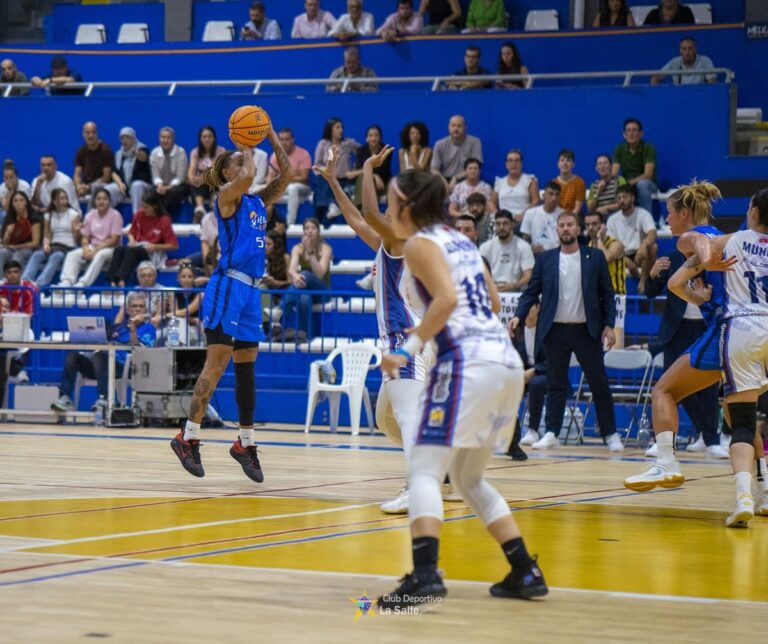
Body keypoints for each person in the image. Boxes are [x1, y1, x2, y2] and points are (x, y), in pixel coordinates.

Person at [375, 168, 547, 609]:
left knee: (425, 471)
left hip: (467, 363)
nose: (386, 208)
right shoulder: (463, 241)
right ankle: (524, 568)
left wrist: (407, 348)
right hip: (505, 363)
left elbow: (449, 300)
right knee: (469, 479)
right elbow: (490, 302)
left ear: (408, 205)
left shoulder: (418, 244)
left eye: (390, 199)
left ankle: (425, 575)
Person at [315, 143, 461, 514]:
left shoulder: (402, 240)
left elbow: (367, 210)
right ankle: (440, 470)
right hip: (407, 341)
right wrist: (333, 183)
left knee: (408, 418)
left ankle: (420, 488)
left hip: (406, 340)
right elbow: (357, 220)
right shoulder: (391, 242)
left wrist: (366, 169)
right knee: (386, 419)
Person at [170, 123, 293, 484]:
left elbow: (286, 175)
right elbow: (251, 172)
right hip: (228, 285)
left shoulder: (256, 201)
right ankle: (187, 436)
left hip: (252, 291)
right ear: (226, 172)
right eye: (237, 161)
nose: (245, 163)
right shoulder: (226, 195)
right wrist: (247, 142)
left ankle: (246, 444)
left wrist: (268, 134)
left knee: (246, 369)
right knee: (218, 362)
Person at [623, 181, 732, 493]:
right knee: (741, 412)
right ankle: (756, 490)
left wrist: (706, 259)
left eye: (669, 213)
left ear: (684, 212)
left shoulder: (694, 237)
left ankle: (667, 463)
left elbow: (695, 241)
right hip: (752, 332)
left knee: (663, 390)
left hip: (724, 330)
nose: (666, 220)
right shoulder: (725, 238)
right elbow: (669, 284)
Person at [513, 211, 622, 452]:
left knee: (599, 382)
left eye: (570, 224)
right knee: (555, 383)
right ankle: (551, 431)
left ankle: (611, 433)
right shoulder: (546, 259)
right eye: (561, 225)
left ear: (578, 228)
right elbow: (531, 291)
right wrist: (518, 315)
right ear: (557, 230)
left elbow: (608, 294)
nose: (565, 228)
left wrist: (609, 325)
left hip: (587, 330)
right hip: (555, 330)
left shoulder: (594, 257)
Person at [692, 188, 768, 525]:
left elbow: (691, 239)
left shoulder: (734, 239)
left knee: (741, 421)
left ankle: (744, 498)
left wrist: (706, 256)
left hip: (743, 328)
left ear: (752, 212)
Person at [643, 246, 726, 458]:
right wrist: (652, 274)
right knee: (673, 384)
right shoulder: (671, 259)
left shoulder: (712, 258)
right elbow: (651, 293)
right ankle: (661, 440)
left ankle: (711, 439)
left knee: (707, 388)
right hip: (676, 329)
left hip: (706, 326)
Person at [51, 292, 157, 413]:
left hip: (124, 367)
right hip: (100, 365)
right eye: (134, 306)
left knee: (100, 356)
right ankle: (65, 398)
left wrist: (133, 328)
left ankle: (104, 400)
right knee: (72, 357)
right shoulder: (119, 326)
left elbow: (140, 351)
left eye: (141, 306)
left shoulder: (149, 328)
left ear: (146, 309)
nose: (138, 309)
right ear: (127, 310)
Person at [106, 191, 178, 287]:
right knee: (119, 249)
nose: (144, 210)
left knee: (132, 251)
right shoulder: (139, 214)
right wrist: (131, 240)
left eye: (147, 207)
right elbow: (131, 232)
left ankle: (122, 280)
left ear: (155, 206)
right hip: (138, 246)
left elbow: (173, 245)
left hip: (152, 253)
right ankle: (112, 281)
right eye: (143, 206)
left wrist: (155, 246)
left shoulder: (164, 220)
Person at [57, 188, 122, 288]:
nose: (101, 201)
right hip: (93, 246)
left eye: (105, 199)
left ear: (109, 201)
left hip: (111, 248)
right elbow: (85, 238)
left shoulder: (116, 215)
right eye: (98, 199)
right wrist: (86, 249)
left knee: (101, 254)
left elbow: (114, 240)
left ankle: (83, 283)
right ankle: (67, 282)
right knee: (72, 254)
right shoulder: (90, 215)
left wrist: (96, 250)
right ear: (94, 201)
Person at [280, 218, 333, 342]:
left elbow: (320, 274)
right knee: (304, 298)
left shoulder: (326, 248)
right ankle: (306, 337)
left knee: (305, 274)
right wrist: (296, 276)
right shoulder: (297, 248)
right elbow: (291, 270)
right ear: (303, 231)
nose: (310, 231)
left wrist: (310, 252)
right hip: (306, 289)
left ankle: (281, 310)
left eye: (313, 228)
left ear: (318, 231)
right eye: (307, 228)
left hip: (323, 291)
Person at [21, 188, 81, 287]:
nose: (64, 201)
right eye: (61, 199)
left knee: (56, 256)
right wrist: (46, 244)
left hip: (68, 248)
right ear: (54, 201)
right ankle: (25, 282)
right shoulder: (48, 215)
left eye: (65, 198)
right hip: (54, 246)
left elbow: (76, 239)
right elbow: (47, 235)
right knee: (37, 254)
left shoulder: (73, 214)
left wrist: (78, 231)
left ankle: (39, 284)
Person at [510, 302, 545, 457]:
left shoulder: (546, 329)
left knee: (536, 383)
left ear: (538, 308)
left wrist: (534, 371)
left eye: (532, 306)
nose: (528, 310)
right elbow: (512, 356)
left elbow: (554, 359)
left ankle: (533, 430)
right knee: (507, 387)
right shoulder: (517, 330)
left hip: (546, 373)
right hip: (522, 375)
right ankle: (509, 437)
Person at [607, 184, 657, 293]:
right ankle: (643, 281)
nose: (622, 200)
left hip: (639, 254)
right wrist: (625, 259)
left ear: (633, 198)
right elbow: (611, 245)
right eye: (619, 198)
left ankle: (643, 281)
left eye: (625, 197)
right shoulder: (612, 220)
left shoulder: (643, 214)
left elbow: (652, 232)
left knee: (653, 247)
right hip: (621, 255)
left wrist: (645, 244)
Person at [312, 117, 359, 226]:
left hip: (344, 180)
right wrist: (326, 172)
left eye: (342, 127)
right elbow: (317, 164)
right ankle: (330, 206)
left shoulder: (348, 143)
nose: (341, 130)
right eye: (337, 127)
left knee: (320, 193)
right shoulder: (323, 144)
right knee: (322, 179)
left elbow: (364, 153)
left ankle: (330, 208)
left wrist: (356, 170)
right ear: (330, 130)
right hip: (327, 179)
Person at [265, 128, 313, 227]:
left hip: (302, 188)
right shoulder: (275, 156)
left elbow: (304, 178)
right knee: (257, 189)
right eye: (281, 139)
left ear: (292, 140)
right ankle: (258, 221)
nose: (284, 142)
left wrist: (284, 178)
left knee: (293, 188)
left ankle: (290, 223)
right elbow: (270, 177)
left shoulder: (303, 154)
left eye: (287, 139)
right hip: (283, 185)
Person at [480, 210, 534, 292]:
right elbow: (480, 273)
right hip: (491, 289)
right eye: (498, 224)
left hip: (515, 290)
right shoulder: (485, 247)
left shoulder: (524, 246)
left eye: (505, 223)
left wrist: (514, 285)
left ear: (512, 224)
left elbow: (528, 275)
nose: (501, 227)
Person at [611, 117, 657, 214]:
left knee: (642, 184)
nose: (631, 133)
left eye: (634, 130)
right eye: (628, 130)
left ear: (641, 134)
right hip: (627, 184)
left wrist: (628, 183)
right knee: (614, 185)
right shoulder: (619, 149)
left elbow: (647, 175)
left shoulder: (648, 148)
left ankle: (646, 220)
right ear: (624, 134)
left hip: (648, 184)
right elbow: (614, 173)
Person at [73, 121, 121, 208]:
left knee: (96, 188)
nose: (91, 135)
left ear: (97, 133)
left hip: (101, 184)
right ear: (83, 134)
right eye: (88, 132)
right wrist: (78, 186)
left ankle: (89, 218)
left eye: (93, 132)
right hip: (85, 184)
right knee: (67, 189)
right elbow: (77, 173)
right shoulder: (81, 151)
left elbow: (106, 177)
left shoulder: (105, 150)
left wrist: (89, 187)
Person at [431, 115, 483, 189]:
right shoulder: (439, 144)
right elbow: (434, 169)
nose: (456, 128)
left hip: (467, 179)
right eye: (453, 125)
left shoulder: (475, 142)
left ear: (465, 128)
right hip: (445, 179)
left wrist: (456, 178)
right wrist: (442, 181)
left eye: (459, 126)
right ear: (448, 127)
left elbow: (477, 166)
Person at [187, 126, 226, 222]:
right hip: (201, 184)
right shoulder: (195, 152)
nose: (207, 139)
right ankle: (200, 210)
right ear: (200, 139)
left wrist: (201, 178)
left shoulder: (221, 151)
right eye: (204, 137)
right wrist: (192, 179)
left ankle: (215, 207)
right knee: (195, 185)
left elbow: (214, 169)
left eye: (209, 136)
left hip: (216, 181)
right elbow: (191, 170)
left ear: (214, 138)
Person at [150, 127, 189, 217]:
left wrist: (167, 188)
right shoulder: (154, 153)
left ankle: (162, 217)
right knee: (151, 192)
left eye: (168, 138)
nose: (165, 140)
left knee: (173, 193)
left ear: (173, 139)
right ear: (159, 139)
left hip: (177, 185)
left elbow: (180, 177)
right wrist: (160, 186)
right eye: (163, 137)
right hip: (161, 184)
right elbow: (155, 175)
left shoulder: (180, 152)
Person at [111, 127, 152, 215]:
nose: (124, 140)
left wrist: (137, 154)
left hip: (144, 186)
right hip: (125, 187)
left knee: (136, 186)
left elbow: (143, 157)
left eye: (128, 137)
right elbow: (114, 173)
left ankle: (137, 218)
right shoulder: (119, 154)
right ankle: (105, 218)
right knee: (108, 189)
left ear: (133, 139)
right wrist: (120, 184)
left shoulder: (142, 149)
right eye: (122, 138)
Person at [583, 212, 625, 296]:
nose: (590, 228)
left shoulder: (616, 244)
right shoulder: (588, 247)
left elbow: (606, 258)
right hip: (597, 295)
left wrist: (599, 237)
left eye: (594, 224)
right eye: (587, 225)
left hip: (616, 295)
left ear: (602, 226)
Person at [349, 125, 392, 206]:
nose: (373, 138)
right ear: (366, 138)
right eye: (371, 135)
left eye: (376, 135)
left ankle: (366, 205)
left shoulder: (386, 150)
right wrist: (374, 175)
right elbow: (359, 170)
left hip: (382, 184)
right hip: (365, 182)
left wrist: (373, 174)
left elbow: (384, 171)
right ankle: (363, 208)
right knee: (363, 177)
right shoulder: (361, 150)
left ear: (380, 137)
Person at [492, 149, 539, 223]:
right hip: (503, 221)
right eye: (510, 161)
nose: (514, 163)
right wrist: (498, 216)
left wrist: (523, 216)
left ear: (521, 163)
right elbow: (492, 203)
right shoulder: (499, 182)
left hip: (523, 219)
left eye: (517, 160)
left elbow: (535, 201)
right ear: (506, 164)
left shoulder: (530, 180)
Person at [0, 191, 42, 272]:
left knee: (18, 255)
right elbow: (5, 244)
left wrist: (16, 247)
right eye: (15, 201)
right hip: (11, 248)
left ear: (26, 202)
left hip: (28, 249)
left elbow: (35, 243)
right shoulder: (9, 218)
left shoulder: (34, 218)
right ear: (12, 204)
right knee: (1, 253)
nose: (18, 203)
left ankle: (17, 282)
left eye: (21, 200)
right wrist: (8, 234)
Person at [163, 260, 203, 346]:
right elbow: (176, 314)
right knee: (176, 321)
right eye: (183, 276)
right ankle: (179, 347)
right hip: (183, 323)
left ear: (194, 278)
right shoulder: (173, 293)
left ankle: (180, 348)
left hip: (196, 326)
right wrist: (173, 315)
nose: (186, 279)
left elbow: (187, 312)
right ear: (178, 279)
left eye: (190, 276)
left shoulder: (200, 294)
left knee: (177, 321)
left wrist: (166, 315)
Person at [652, 36, 717, 85]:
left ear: (695, 49)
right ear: (680, 50)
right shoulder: (674, 62)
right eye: (684, 49)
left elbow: (713, 82)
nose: (687, 52)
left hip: (699, 96)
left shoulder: (704, 60)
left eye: (690, 48)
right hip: (679, 97)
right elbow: (656, 78)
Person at [520, 181, 563, 253]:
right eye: (551, 194)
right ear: (543, 195)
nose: (554, 198)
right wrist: (531, 248)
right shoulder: (530, 213)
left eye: (557, 195)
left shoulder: (564, 215)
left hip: (557, 254)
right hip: (536, 253)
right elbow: (525, 238)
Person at [552, 149, 586, 215]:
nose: (565, 163)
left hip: (574, 217)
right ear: (558, 164)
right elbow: (553, 207)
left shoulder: (579, 182)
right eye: (562, 160)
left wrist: (567, 219)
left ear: (573, 164)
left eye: (568, 160)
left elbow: (577, 209)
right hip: (557, 217)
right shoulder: (553, 183)